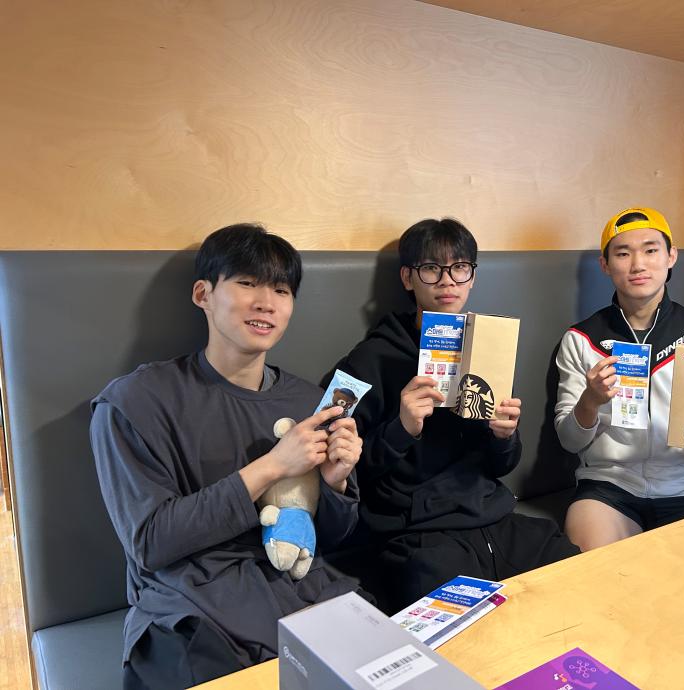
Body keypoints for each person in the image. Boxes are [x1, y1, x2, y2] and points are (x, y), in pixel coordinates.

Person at [91, 224, 364, 689]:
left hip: (301, 592)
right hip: (191, 608)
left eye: (281, 290)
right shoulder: (135, 402)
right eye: (247, 283)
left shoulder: (309, 402)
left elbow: (331, 539)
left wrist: (336, 482)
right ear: (204, 294)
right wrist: (273, 466)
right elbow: (151, 542)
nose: (266, 303)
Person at [331, 217, 579, 612]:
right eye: (432, 268)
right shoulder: (370, 360)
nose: (448, 281)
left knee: (581, 587)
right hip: (421, 535)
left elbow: (501, 466)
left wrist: (504, 437)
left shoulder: (485, 346)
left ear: (472, 277)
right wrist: (401, 428)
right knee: (465, 631)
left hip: (497, 518)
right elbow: (340, 466)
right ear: (408, 278)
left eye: (460, 268)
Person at [554, 207, 684, 552]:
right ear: (605, 264)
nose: (638, 264)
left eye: (651, 250)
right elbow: (569, 441)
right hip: (607, 486)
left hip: (683, 489)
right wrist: (590, 401)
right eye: (623, 253)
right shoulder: (582, 339)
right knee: (593, 562)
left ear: (671, 257)